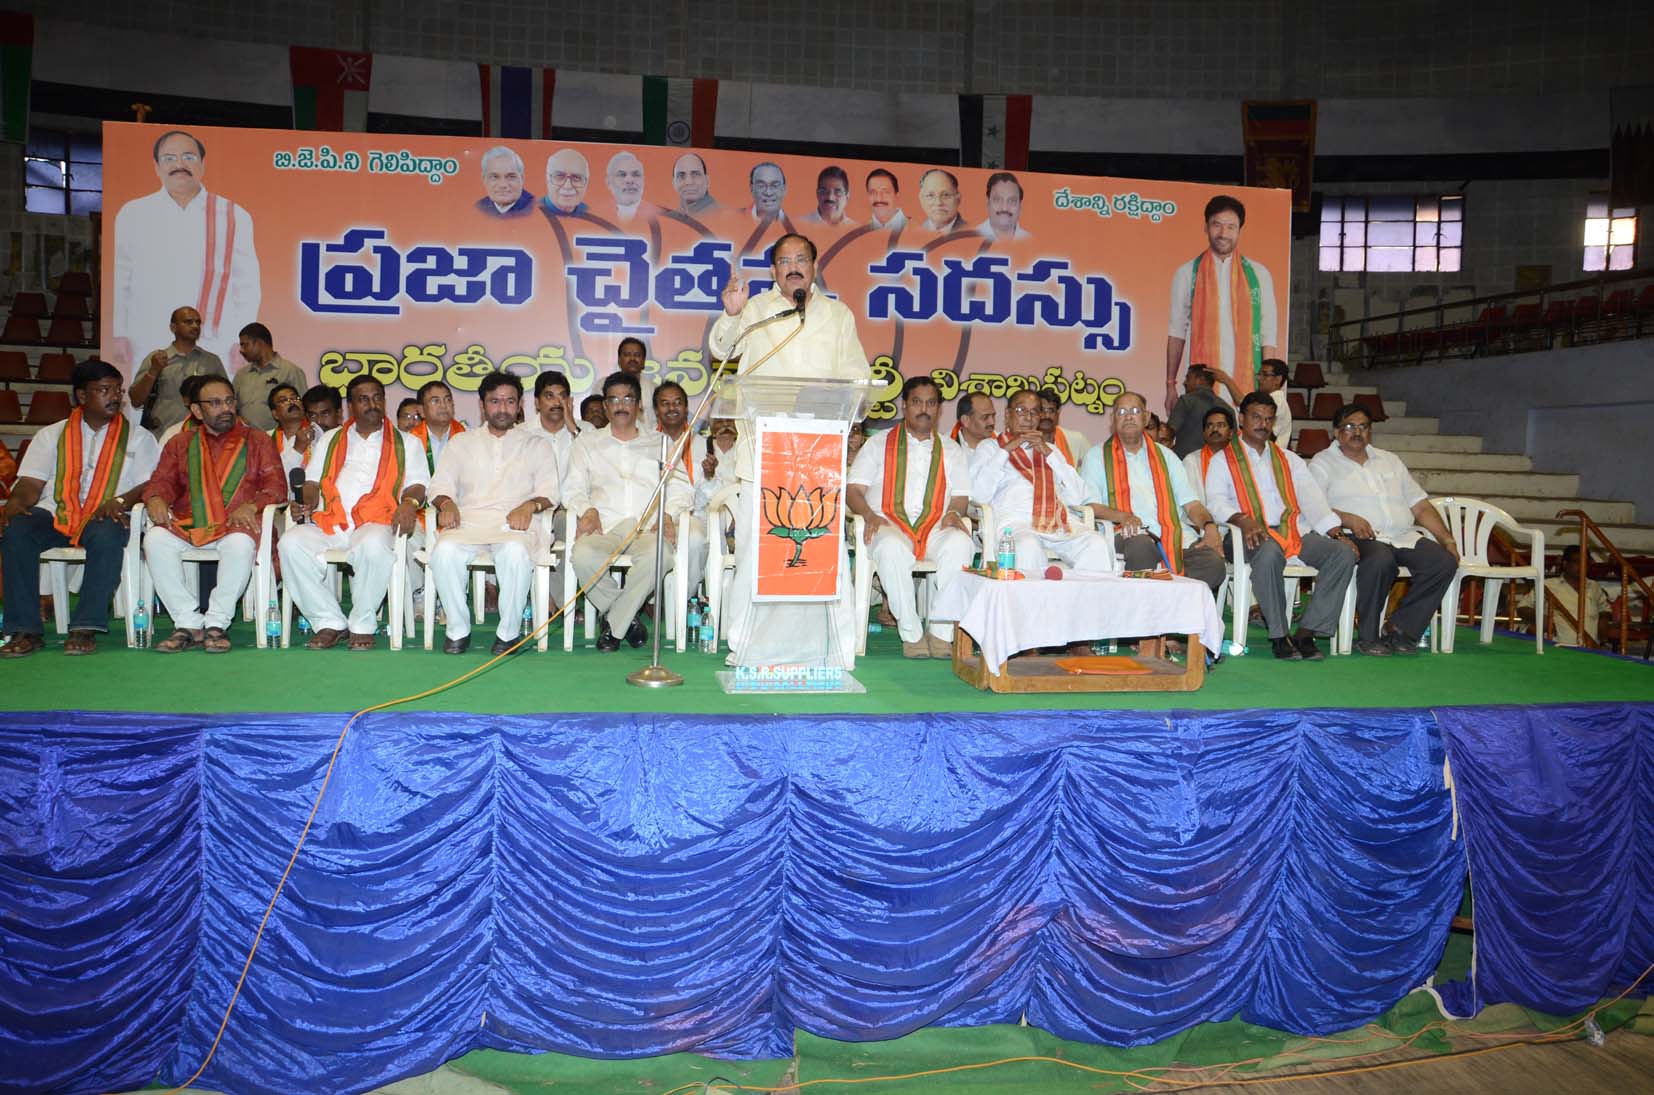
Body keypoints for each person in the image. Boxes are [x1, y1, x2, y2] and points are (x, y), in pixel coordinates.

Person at [709, 232, 872, 665]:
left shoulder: (837, 315)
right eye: (785, 261)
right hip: (763, 453)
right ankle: (744, 642)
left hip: (818, 455)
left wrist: (841, 394)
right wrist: (730, 316)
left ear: (815, 266)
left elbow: (858, 374)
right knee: (754, 549)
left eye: (802, 258)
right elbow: (723, 353)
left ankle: (832, 647)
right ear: (773, 270)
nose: (794, 266)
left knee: (823, 547)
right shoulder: (756, 311)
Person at [0, 360, 161, 657]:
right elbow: (30, 483)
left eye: (118, 390)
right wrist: (15, 504)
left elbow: (148, 486)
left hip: (106, 515)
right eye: (104, 390)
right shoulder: (52, 435)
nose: (115, 396)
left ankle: (85, 625)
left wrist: (121, 501)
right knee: (18, 528)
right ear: (82, 397)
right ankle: (25, 629)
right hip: (56, 513)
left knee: (108, 531)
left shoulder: (139, 438)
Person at [278, 376, 428, 650]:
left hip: (377, 519)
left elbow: (419, 484)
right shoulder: (332, 439)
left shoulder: (406, 442)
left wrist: (409, 504)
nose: (372, 404)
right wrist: (305, 502)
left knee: (373, 545)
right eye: (363, 399)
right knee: (290, 543)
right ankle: (329, 621)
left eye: (377, 398)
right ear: (350, 406)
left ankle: (362, 624)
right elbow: (312, 482)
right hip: (332, 520)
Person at [1203, 392, 1356, 661]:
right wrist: (1243, 519)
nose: (1263, 424)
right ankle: (1278, 634)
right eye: (1256, 417)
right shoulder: (1222, 459)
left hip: (1292, 530)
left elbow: (1312, 499)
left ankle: (1307, 632)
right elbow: (1215, 503)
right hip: (1242, 534)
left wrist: (1336, 532)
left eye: (1268, 419)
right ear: (1241, 419)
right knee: (1269, 552)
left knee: (1342, 554)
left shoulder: (1289, 459)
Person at [142, 376, 284, 653]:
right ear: (197, 411)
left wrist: (252, 505)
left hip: (237, 523)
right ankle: (188, 622)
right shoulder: (180, 443)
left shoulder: (258, 441)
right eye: (216, 403)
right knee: (155, 540)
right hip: (190, 523)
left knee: (240, 544)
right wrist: (156, 497)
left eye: (230, 401)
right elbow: (162, 480)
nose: (226, 408)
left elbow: (277, 487)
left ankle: (217, 623)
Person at [426, 372, 560, 655]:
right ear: (482, 405)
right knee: (444, 551)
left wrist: (529, 506)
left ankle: (508, 634)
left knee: (513, 552)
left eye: (510, 402)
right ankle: (458, 631)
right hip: (469, 520)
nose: (503, 409)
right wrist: (446, 504)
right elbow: (439, 487)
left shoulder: (537, 444)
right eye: (495, 401)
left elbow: (551, 492)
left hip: (516, 522)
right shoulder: (461, 443)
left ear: (520, 405)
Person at [1309, 404, 1459, 656]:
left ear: (1370, 431)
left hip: (1402, 535)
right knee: (1380, 560)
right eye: (1349, 426)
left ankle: (1401, 629)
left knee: (1443, 562)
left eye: (1363, 427)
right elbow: (1313, 505)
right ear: (1336, 432)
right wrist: (1346, 518)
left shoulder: (1389, 460)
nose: (1357, 432)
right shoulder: (1322, 463)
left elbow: (1420, 506)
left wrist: (1448, 539)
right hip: (1356, 536)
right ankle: (1367, 637)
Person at [112, 130, 259, 375]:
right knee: (150, 406)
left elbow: (247, 284)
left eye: (189, 157)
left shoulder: (233, 214)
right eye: (169, 158)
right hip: (148, 332)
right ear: (156, 166)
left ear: (203, 164)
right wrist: (119, 333)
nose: (179, 164)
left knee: (215, 402)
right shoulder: (134, 213)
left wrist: (239, 338)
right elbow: (121, 277)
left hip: (215, 336)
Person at [564, 371, 691, 652]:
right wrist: (587, 510)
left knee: (663, 554)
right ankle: (627, 618)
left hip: (649, 526)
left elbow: (682, 489)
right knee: (582, 556)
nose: (621, 405)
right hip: (604, 525)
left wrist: (668, 515)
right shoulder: (587, 443)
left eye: (628, 398)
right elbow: (572, 488)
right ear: (605, 406)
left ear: (639, 405)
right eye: (614, 400)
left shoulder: (661, 443)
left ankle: (615, 624)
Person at [846, 376, 972, 659]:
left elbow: (961, 496)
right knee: (891, 548)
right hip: (887, 523)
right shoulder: (878, 444)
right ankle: (912, 633)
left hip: (935, 525)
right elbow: (853, 490)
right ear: (905, 406)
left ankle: (941, 633)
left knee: (960, 544)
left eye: (930, 403)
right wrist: (867, 514)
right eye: (916, 402)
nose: (923, 409)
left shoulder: (951, 449)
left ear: (939, 409)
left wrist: (954, 512)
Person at [1079, 392, 1225, 594]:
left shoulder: (1167, 456)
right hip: (1125, 535)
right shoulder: (1096, 456)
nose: (1129, 416)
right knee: (1141, 547)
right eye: (1121, 412)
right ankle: (1155, 615)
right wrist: (1124, 516)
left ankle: (1162, 604)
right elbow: (1090, 506)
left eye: (1135, 411)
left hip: (1173, 538)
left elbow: (1191, 504)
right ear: (1113, 420)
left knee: (1213, 564)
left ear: (1146, 418)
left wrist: (1209, 527)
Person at [969, 389, 1111, 576]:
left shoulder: (1051, 450)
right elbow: (978, 495)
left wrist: (1050, 455)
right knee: (1027, 547)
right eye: (1021, 410)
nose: (1028, 417)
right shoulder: (990, 447)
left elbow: (1078, 497)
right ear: (1007, 414)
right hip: (1016, 524)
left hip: (1060, 523)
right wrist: (1006, 450)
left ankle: (1083, 604)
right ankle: (1034, 605)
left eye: (1034, 412)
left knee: (1096, 544)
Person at [1165, 195, 1277, 415]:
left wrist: (1268, 392)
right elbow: (1176, 331)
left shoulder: (1259, 274)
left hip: (1246, 384)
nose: (1223, 233)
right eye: (1217, 225)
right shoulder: (1188, 273)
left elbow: (1268, 334)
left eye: (1230, 227)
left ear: (1239, 231)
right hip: (1202, 386)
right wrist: (1170, 384)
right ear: (1206, 227)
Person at [127, 306, 227, 436]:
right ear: (173, 327)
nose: (195, 326)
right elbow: (136, 400)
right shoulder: (156, 358)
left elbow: (226, 400)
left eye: (198, 322)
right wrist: (153, 370)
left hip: (202, 438)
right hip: (163, 435)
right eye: (188, 322)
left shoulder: (212, 361)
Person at [652, 380, 710, 585]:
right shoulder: (647, 442)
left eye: (677, 403)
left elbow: (712, 496)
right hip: (654, 516)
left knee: (693, 538)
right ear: (656, 410)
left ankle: (684, 596)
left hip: (692, 515)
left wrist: (710, 477)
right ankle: (652, 598)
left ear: (686, 409)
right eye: (665, 403)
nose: (671, 408)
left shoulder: (704, 444)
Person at [231, 322, 306, 432]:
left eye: (244, 345)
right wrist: (236, 417)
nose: (241, 350)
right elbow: (231, 405)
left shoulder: (290, 371)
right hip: (244, 441)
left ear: (259, 343)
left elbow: (302, 409)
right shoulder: (241, 375)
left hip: (277, 441)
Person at [1167, 365, 1225, 459]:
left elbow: (1168, 432)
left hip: (1185, 464)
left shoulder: (1186, 401)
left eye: (1188, 378)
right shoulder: (1227, 408)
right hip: (1217, 465)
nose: (1185, 383)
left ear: (1200, 380)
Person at [408, 380, 466, 475]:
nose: (443, 405)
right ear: (421, 410)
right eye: (435, 401)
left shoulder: (466, 437)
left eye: (447, 400)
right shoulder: (410, 442)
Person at [1181, 403, 1234, 506]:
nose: (1214, 429)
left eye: (1220, 425)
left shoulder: (1241, 460)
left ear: (1231, 433)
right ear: (1204, 433)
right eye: (1210, 425)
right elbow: (1189, 501)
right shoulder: (1191, 461)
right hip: (1204, 518)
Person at [527, 370, 579, 472]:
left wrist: (573, 428)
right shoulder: (523, 433)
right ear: (537, 403)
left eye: (562, 396)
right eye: (549, 396)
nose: (557, 403)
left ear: (569, 401)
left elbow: (596, 463)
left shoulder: (587, 430)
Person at [268, 383, 318, 480]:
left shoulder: (318, 433)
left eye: (295, 398)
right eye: (284, 400)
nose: (292, 402)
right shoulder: (266, 439)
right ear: (275, 414)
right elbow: (272, 478)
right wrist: (297, 450)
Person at [602, 151, 661, 225]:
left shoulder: (660, 214)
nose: (629, 181)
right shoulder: (596, 213)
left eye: (636, 175)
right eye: (622, 175)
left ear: (643, 180)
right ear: (608, 182)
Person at [475, 146, 535, 217]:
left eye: (511, 177)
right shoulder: (479, 207)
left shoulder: (534, 207)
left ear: (522, 178)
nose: (503, 185)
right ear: (484, 179)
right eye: (494, 177)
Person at [1036, 388, 1089, 468]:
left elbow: (1095, 466)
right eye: (1041, 410)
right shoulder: (1025, 441)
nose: (1046, 415)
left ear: (1058, 412)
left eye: (1051, 411)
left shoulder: (1075, 439)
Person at [617, 336, 657, 430]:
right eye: (627, 354)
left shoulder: (654, 389)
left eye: (637, 355)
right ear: (619, 360)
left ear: (643, 362)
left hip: (648, 441)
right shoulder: (603, 385)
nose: (632, 358)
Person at [976, 172, 1030, 241]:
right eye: (997, 200)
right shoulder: (971, 238)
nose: (1004, 208)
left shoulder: (1030, 240)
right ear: (988, 204)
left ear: (1020, 208)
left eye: (1012, 201)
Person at [540, 148, 591, 219]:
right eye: (559, 176)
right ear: (547, 179)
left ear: (587, 182)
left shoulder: (590, 212)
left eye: (576, 178)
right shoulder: (534, 212)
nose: (568, 186)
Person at [915, 169, 966, 233]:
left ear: (958, 199)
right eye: (930, 195)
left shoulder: (973, 234)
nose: (938, 202)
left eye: (946, 195)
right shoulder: (913, 234)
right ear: (921, 199)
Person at [671, 152, 719, 217]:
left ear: (707, 181)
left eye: (695, 174)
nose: (688, 182)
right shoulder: (669, 219)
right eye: (681, 175)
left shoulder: (723, 215)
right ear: (674, 183)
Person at [1257, 358, 1292, 446]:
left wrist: (1227, 380)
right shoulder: (1270, 399)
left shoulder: (1277, 401)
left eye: (1265, 375)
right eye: (1259, 374)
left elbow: (1268, 434)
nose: (1259, 379)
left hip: (1273, 455)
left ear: (1278, 379)